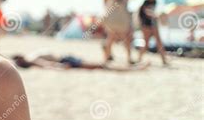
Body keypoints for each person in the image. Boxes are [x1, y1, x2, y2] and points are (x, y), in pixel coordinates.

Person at [102, 0, 137, 65]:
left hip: (122, 20)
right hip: (115, 19)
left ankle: (128, 58)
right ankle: (107, 58)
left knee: (123, 38)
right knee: (112, 37)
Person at [138, 0, 168, 65]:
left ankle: (164, 60)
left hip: (153, 24)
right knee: (146, 43)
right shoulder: (146, 1)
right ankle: (139, 59)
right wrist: (154, 15)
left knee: (159, 42)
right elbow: (145, 12)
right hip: (146, 25)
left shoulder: (155, 1)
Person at [11, 54, 150, 71]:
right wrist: (61, 67)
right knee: (101, 66)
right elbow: (49, 65)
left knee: (100, 64)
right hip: (66, 61)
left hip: (66, 59)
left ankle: (133, 67)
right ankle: (134, 68)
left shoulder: (33, 58)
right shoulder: (35, 60)